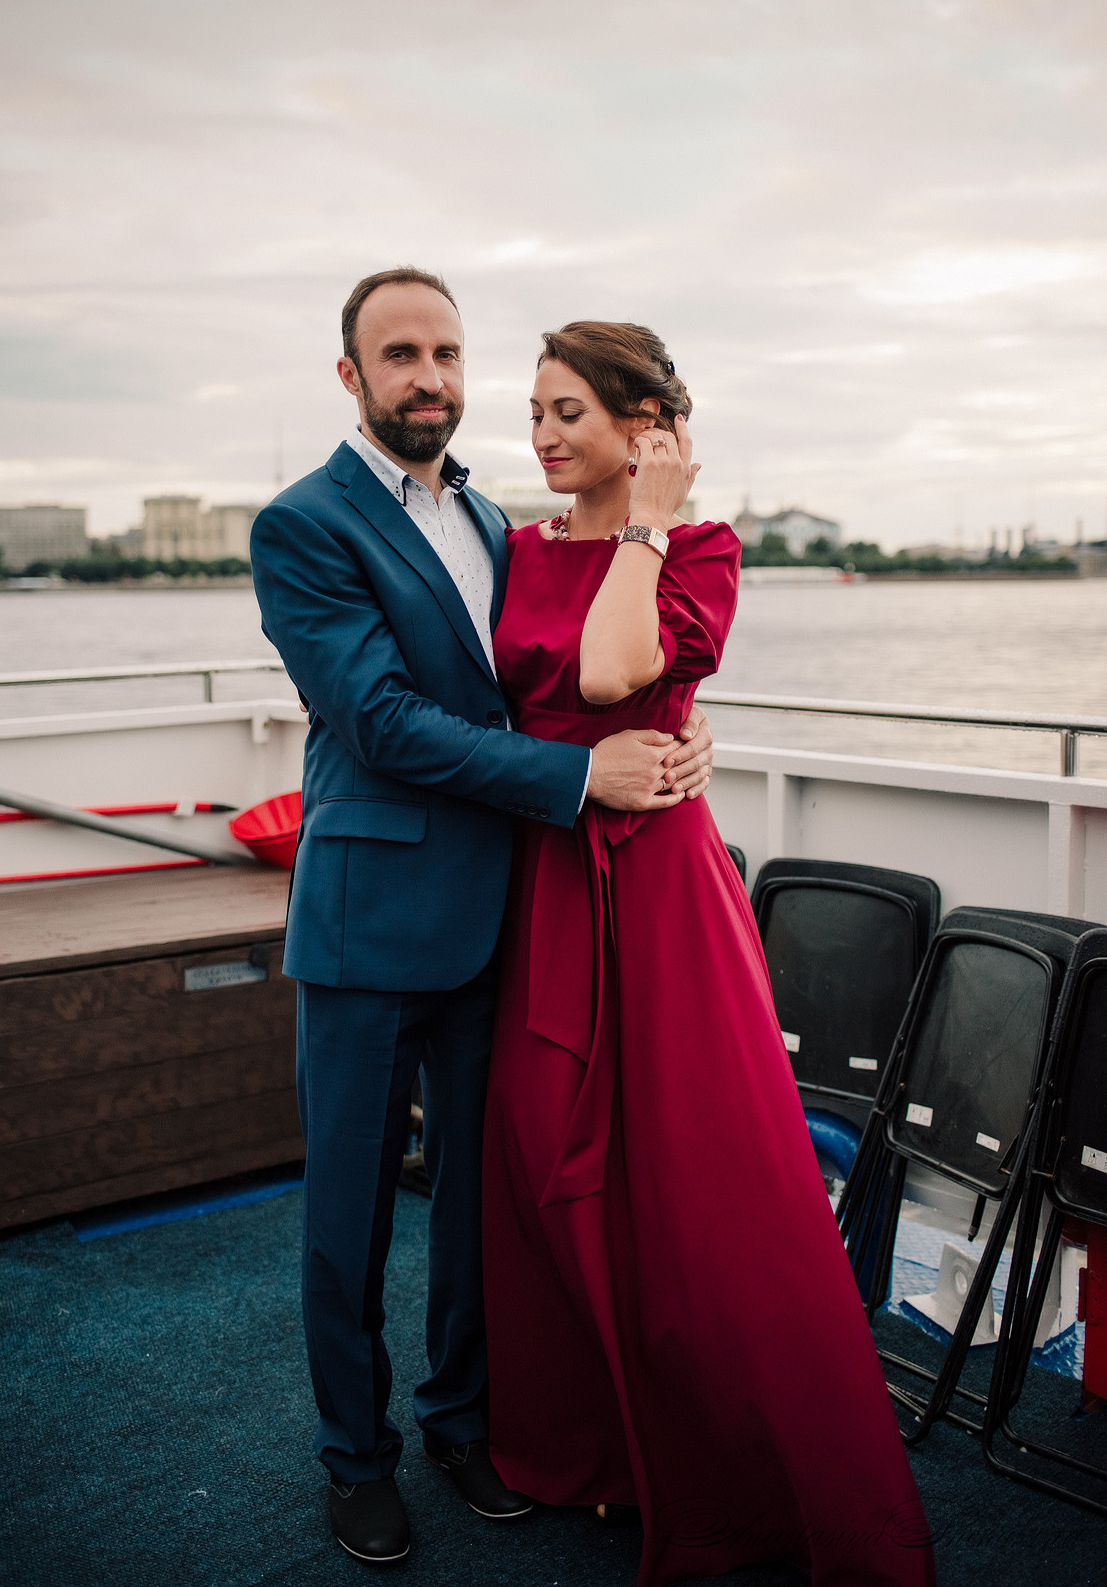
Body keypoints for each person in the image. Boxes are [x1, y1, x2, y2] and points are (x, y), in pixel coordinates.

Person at [247, 268, 716, 1566]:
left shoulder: (499, 520)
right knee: (347, 1216)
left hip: (499, 915)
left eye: (446, 352)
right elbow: (382, 723)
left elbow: (549, 683)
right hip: (364, 921)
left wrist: (675, 729)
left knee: (474, 1205)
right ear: (351, 377)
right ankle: (357, 1460)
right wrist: (577, 781)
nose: (429, 379)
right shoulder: (302, 526)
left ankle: (462, 1423)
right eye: (398, 355)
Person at [482, 321, 936, 1587]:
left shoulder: (701, 548)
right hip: (547, 874)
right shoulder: (510, 550)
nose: (541, 434)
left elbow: (615, 663)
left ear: (644, 427)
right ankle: (591, 1449)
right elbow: (522, 704)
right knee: (544, 1149)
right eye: (532, 412)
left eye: (568, 411)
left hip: (666, 890)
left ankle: (725, 1467)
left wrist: (646, 526)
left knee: (696, 1169)